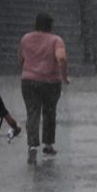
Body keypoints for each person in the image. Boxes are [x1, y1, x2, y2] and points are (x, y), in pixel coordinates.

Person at [19, 12, 69, 159]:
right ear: (50, 26)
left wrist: (31, 68)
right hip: (51, 82)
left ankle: (32, 145)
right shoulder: (56, 40)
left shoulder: (25, 39)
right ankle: (47, 145)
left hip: (29, 82)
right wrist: (64, 76)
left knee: (32, 113)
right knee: (49, 112)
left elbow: (21, 59)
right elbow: (61, 58)